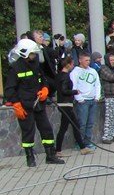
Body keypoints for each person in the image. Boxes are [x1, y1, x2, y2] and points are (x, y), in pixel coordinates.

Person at [4, 38, 64, 166]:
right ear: (24, 53)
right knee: (28, 132)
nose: (34, 55)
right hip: (25, 106)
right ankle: (30, 158)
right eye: (32, 53)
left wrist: (45, 89)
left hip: (38, 104)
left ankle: (50, 156)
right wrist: (16, 104)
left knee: (46, 129)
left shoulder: (36, 63)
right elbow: (9, 90)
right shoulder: (15, 68)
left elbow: (43, 79)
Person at [54, 56, 89, 155]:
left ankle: (82, 147)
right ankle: (58, 150)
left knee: (75, 125)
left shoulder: (59, 75)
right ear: (68, 65)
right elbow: (64, 90)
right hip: (66, 104)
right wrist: (75, 91)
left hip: (63, 104)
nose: (73, 66)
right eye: (72, 64)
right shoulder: (65, 76)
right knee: (64, 127)